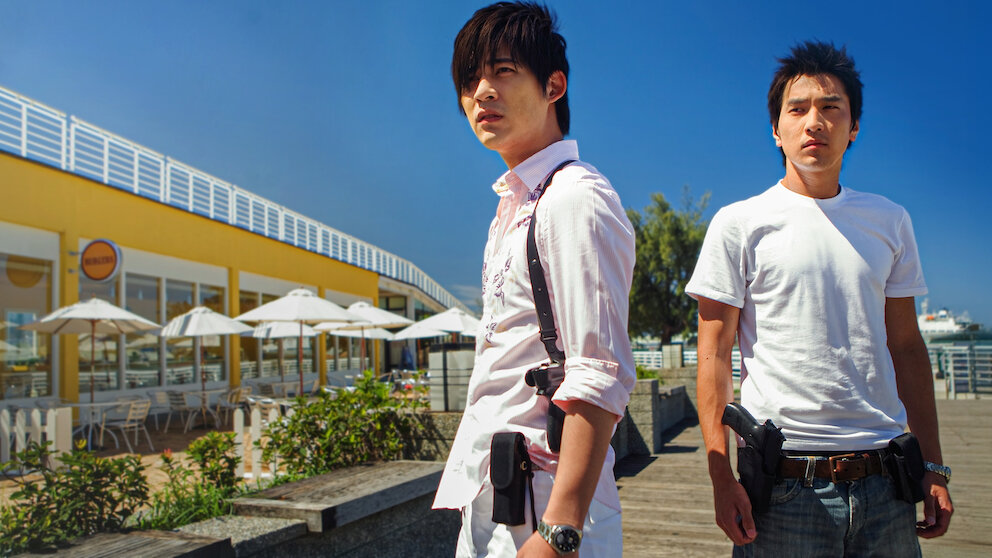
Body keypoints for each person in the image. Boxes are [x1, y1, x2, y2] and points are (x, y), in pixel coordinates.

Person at [686, 41, 953, 556]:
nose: (815, 122)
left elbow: (906, 347)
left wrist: (934, 467)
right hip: (784, 488)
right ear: (776, 129)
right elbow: (713, 356)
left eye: (832, 108)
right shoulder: (739, 224)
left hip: (886, 482)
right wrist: (721, 477)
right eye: (798, 109)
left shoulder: (890, 221)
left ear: (853, 128)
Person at [432, 3, 636, 557]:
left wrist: (558, 532)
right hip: (498, 494)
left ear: (553, 86)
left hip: (544, 507)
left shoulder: (573, 198)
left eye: (502, 71)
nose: (482, 92)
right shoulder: (516, 206)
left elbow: (599, 372)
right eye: (469, 80)